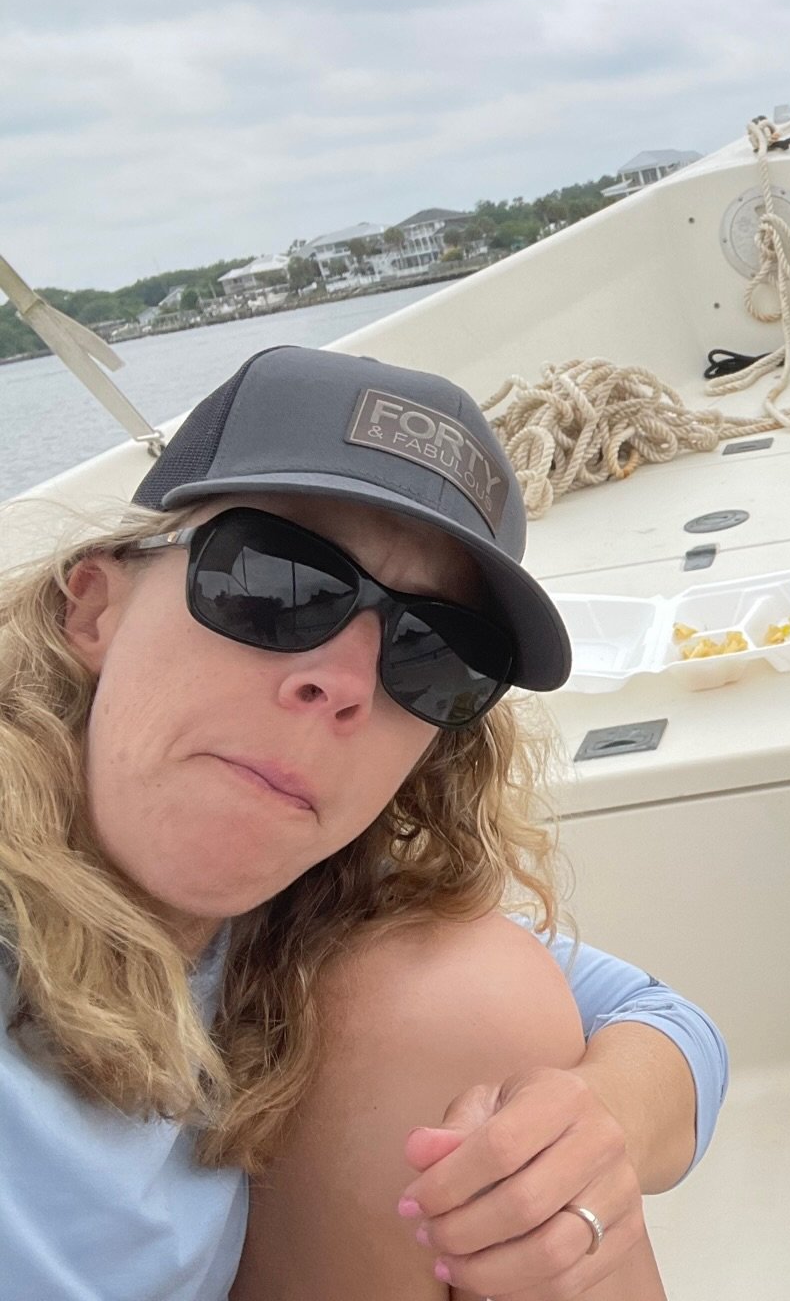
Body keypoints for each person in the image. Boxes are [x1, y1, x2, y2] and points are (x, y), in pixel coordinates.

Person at [0, 345, 728, 1300]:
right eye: (275, 582)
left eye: (434, 654)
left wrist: (594, 1127)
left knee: (482, 996)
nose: (343, 682)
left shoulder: (299, 901)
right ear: (95, 610)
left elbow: (667, 1022)